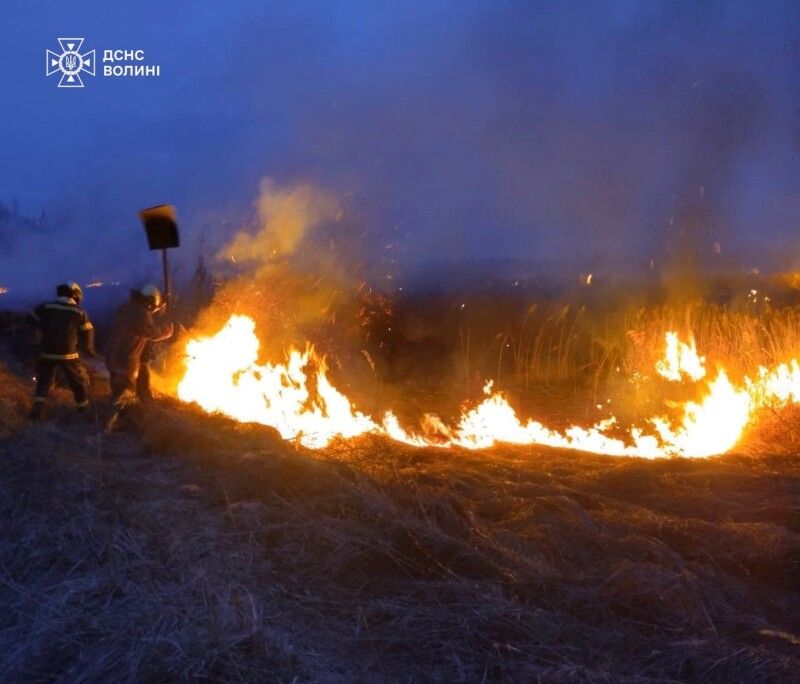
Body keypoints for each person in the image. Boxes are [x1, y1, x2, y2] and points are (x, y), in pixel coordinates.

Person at [29, 282, 102, 420]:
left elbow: (32, 320)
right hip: (68, 354)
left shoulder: (45, 307)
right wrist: (91, 351)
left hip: (47, 351)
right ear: (75, 294)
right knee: (77, 381)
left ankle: (37, 411)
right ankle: (83, 409)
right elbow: (88, 332)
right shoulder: (79, 312)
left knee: (44, 381)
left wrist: (40, 335)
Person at [105, 284, 173, 424]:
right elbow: (148, 331)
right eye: (153, 305)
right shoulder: (140, 314)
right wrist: (165, 332)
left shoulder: (129, 308)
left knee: (119, 391)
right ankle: (106, 427)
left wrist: (158, 306)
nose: (154, 308)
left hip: (114, 357)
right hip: (126, 359)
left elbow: (138, 320)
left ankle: (120, 421)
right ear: (149, 301)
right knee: (122, 395)